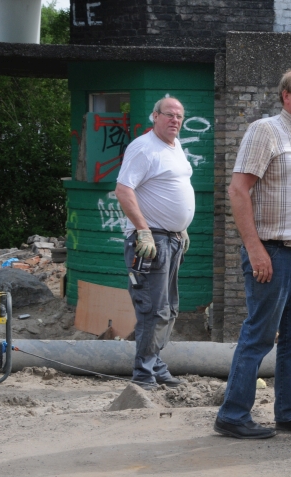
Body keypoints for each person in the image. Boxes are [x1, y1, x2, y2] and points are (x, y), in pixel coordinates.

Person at [214, 68, 291, 440]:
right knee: (260, 335)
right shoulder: (265, 131)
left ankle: (289, 412)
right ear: (286, 96)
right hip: (273, 253)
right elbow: (238, 191)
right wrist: (254, 249)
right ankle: (233, 415)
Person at [115, 96, 194, 390]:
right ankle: (144, 375)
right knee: (153, 309)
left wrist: (180, 227)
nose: (175, 120)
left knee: (170, 308)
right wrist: (143, 230)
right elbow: (124, 190)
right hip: (152, 241)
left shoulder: (175, 146)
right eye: (169, 115)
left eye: (179, 116)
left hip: (171, 240)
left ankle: (156, 365)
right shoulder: (144, 148)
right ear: (155, 116)